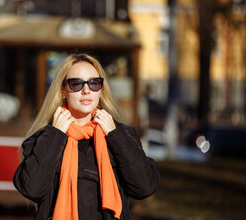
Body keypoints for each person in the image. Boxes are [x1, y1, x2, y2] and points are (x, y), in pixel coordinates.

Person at [13, 54, 160, 220]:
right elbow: (31, 189)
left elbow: (145, 188)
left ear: (101, 89)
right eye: (76, 84)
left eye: (94, 83)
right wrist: (55, 136)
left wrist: (116, 137)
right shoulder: (45, 138)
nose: (86, 90)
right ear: (62, 90)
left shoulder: (119, 135)